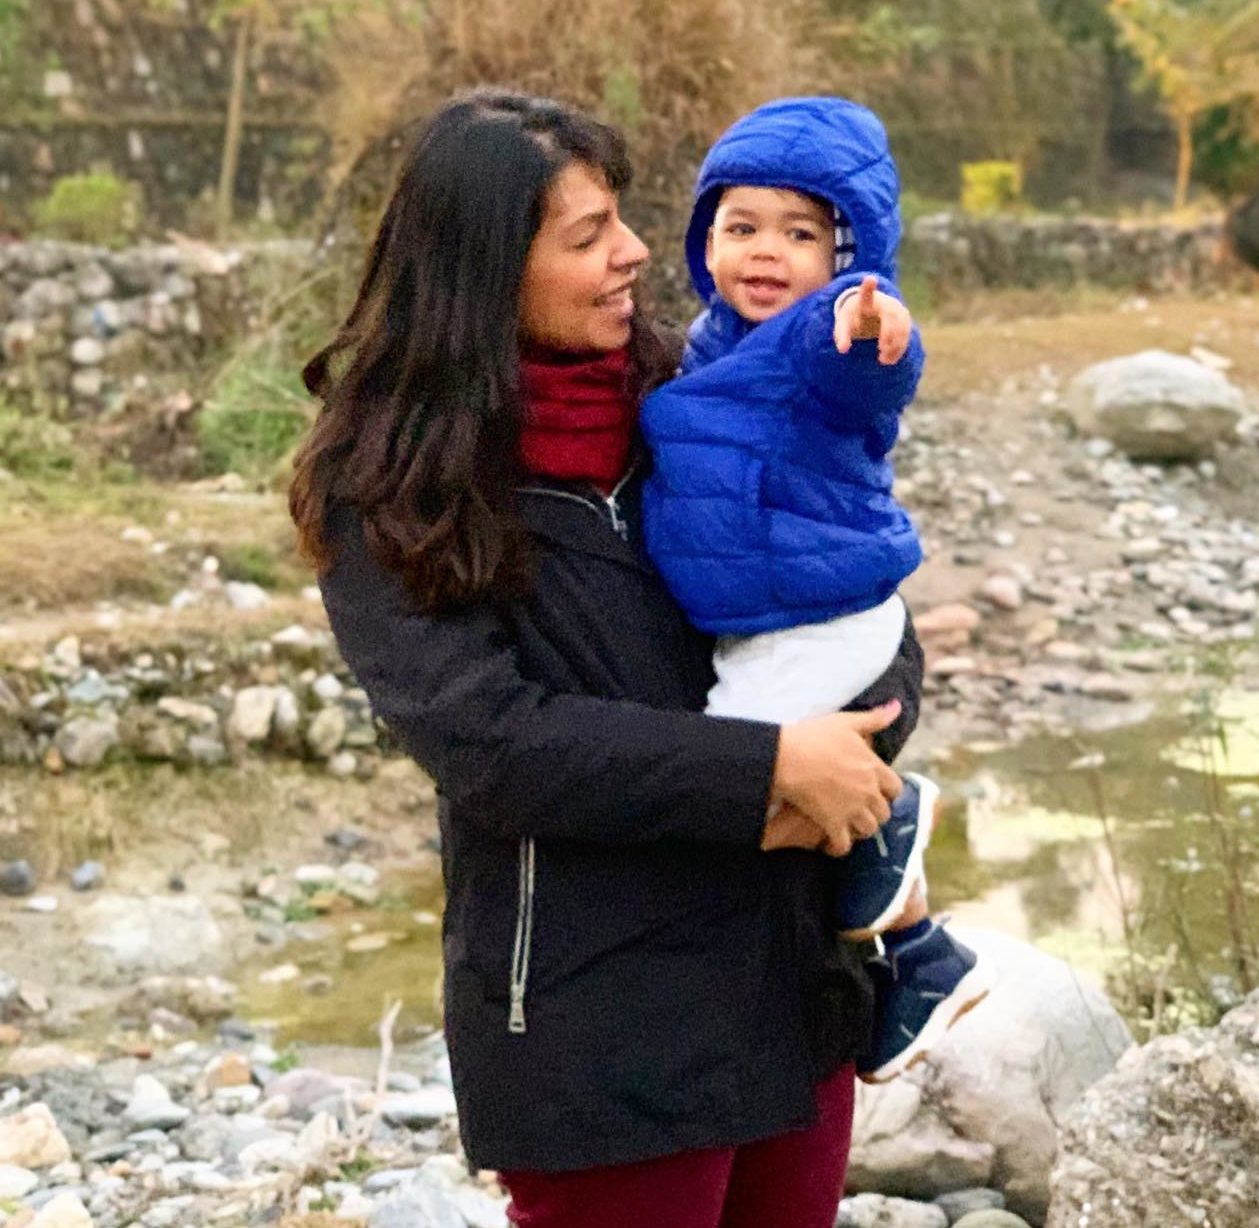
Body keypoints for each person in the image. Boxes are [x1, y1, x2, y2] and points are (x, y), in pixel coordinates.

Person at [290, 89, 926, 1228]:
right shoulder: (390, 486)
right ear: (488, 270)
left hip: (786, 977)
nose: (634, 251)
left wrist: (863, 743)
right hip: (600, 1015)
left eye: (622, 219)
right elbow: (489, 741)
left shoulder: (692, 393)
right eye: (588, 236)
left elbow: (850, 587)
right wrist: (766, 771)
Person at [640, 97, 994, 1083]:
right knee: (747, 774)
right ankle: (917, 954)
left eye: (800, 235)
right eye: (740, 226)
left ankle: (890, 810)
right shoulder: (711, 339)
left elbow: (868, 379)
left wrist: (877, 330)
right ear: (704, 237)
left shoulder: (821, 335)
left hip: (820, 619)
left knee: (728, 776)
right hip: (770, 619)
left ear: (846, 255)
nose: (766, 252)